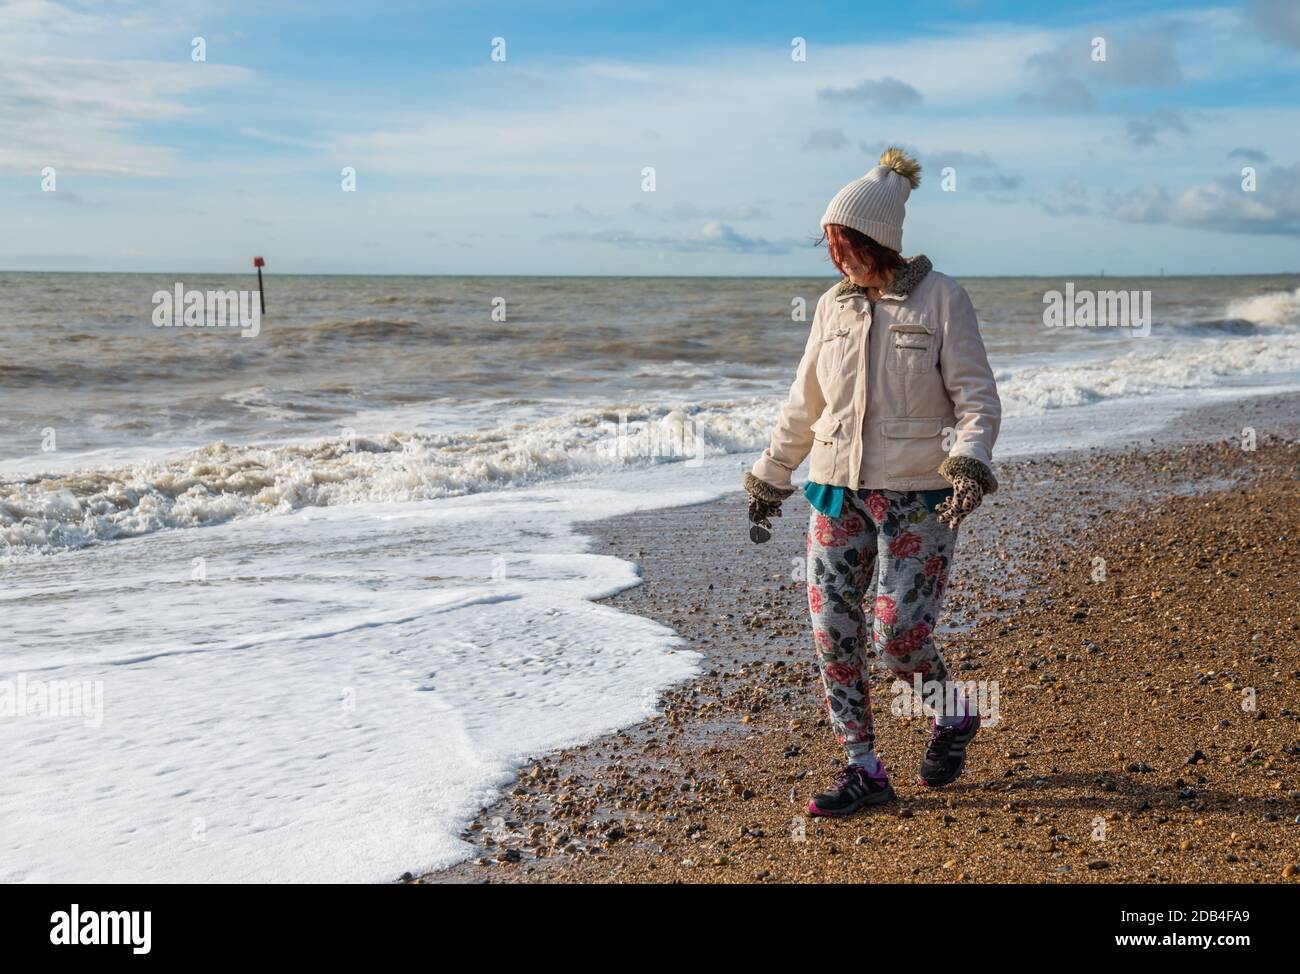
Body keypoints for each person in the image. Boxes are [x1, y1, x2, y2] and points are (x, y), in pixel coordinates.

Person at [743, 148, 1001, 816]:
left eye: (844, 243)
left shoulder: (942, 299)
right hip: (835, 490)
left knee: (898, 635)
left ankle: (952, 715)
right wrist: (770, 477)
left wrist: (970, 461)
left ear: (877, 239)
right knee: (834, 633)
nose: (835, 256)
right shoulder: (832, 308)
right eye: (827, 244)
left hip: (921, 495)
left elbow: (977, 400)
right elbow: (804, 404)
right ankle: (863, 767)